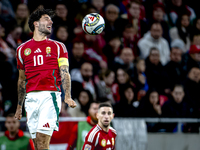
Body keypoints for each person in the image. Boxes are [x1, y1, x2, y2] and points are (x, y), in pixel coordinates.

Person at [14, 8, 76, 150]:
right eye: (46, 18)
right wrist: (19, 106)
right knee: (37, 145)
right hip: (30, 99)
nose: (51, 21)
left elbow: (65, 72)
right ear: (36, 23)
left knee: (42, 142)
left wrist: (67, 96)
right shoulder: (22, 49)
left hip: (49, 96)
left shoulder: (59, 47)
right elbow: (21, 79)